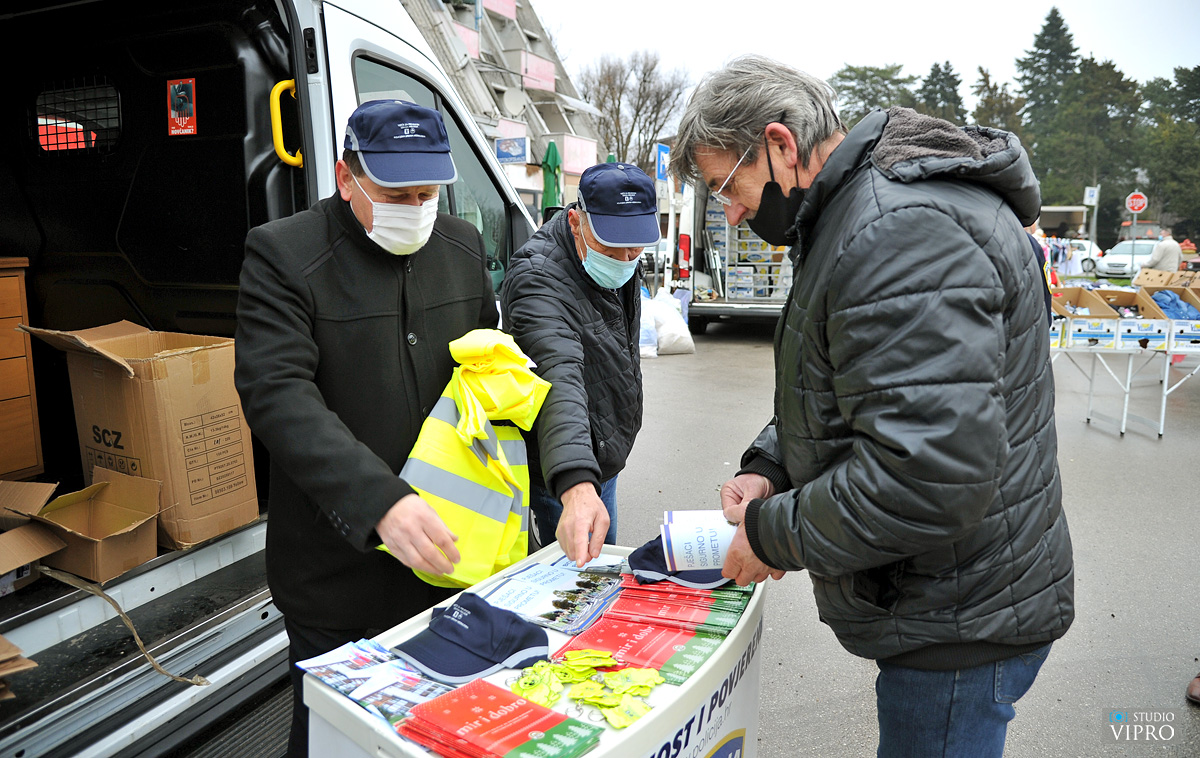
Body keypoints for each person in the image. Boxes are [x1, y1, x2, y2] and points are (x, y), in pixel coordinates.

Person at [671, 55, 1074, 758]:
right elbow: (856, 386)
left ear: (780, 144)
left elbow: (927, 477)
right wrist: (771, 465)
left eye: (725, 186)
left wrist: (768, 534)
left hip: (958, 619)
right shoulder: (858, 215)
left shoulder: (897, 230)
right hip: (947, 595)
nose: (730, 212)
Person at [234, 99, 499, 756]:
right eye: (395, 193)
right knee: (332, 740)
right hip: (335, 576)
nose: (415, 207)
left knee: (436, 732)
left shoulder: (461, 247)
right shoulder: (284, 253)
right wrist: (377, 500)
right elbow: (277, 392)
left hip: (447, 562)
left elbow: (489, 369)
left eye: (427, 193)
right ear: (346, 178)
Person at [500, 162, 659, 565]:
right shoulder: (538, 276)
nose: (625, 258)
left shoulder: (614, 258)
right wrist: (575, 482)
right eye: (612, 247)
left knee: (601, 566)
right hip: (564, 467)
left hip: (604, 454)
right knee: (576, 576)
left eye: (635, 247)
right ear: (575, 221)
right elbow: (558, 374)